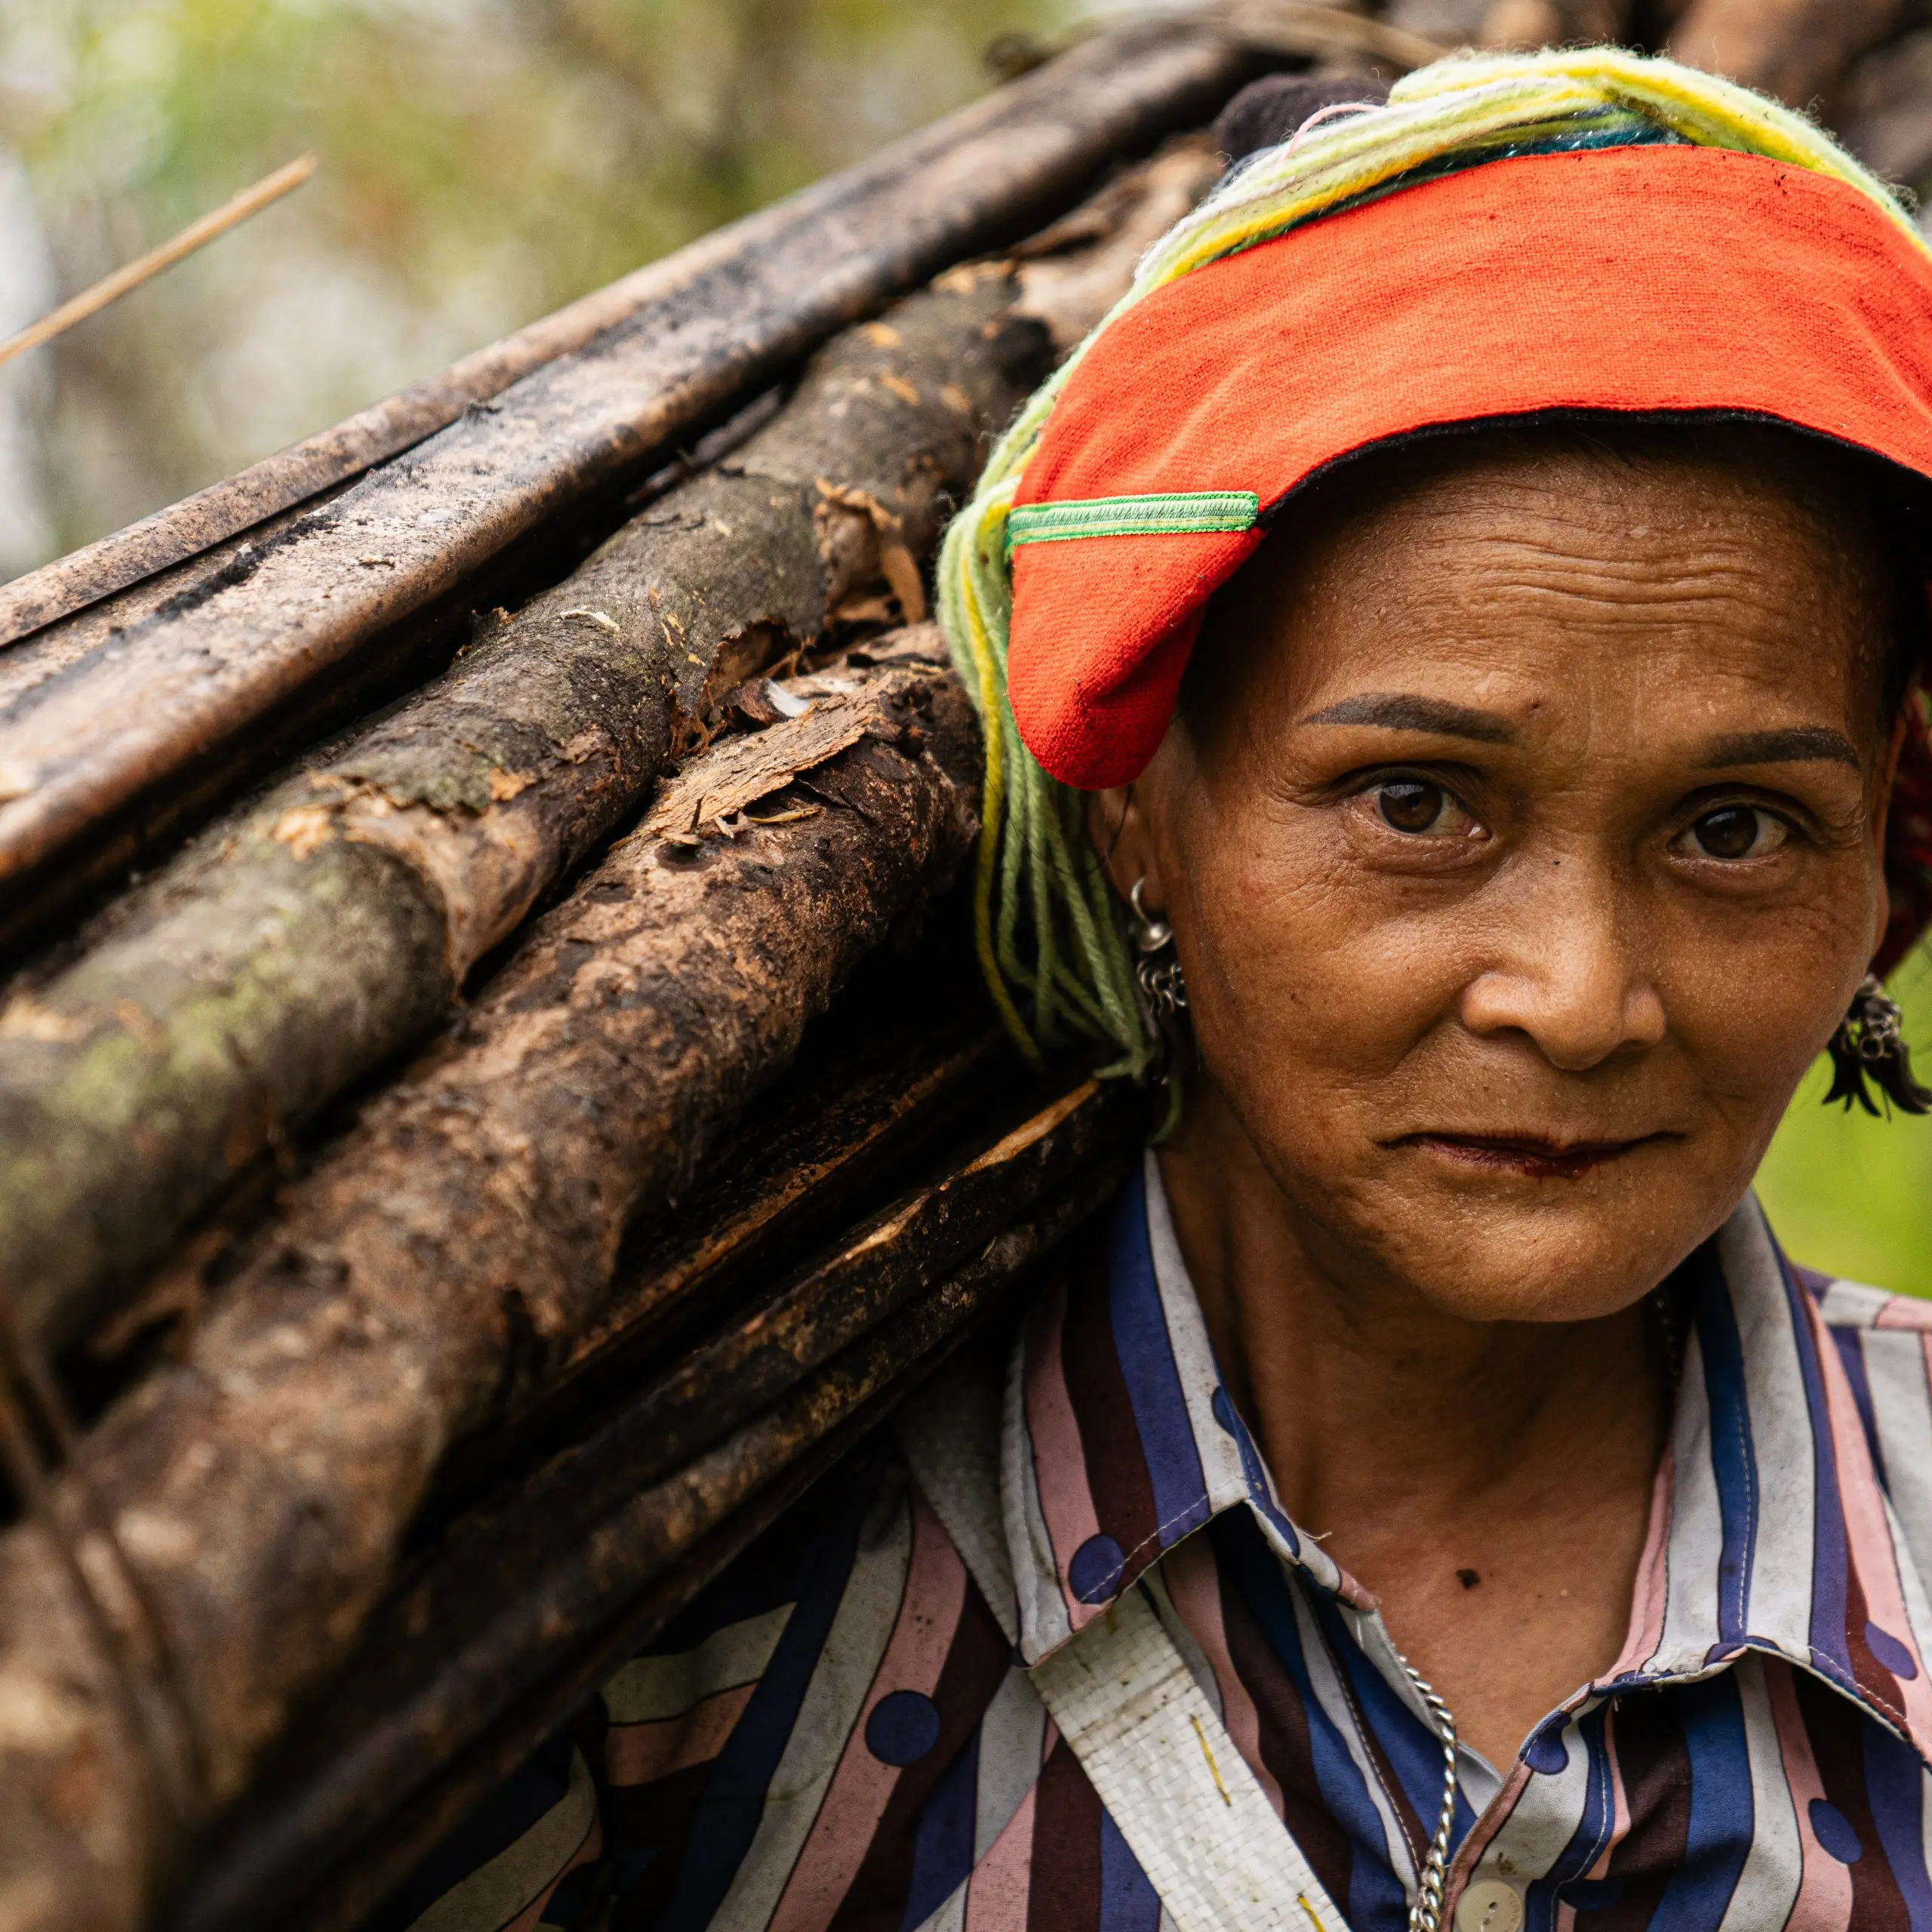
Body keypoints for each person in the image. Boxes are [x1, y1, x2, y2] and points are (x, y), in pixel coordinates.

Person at [374, 48, 1932, 1932]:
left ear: (1879, 864)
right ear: (1135, 815)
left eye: (1736, 829)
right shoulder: (675, 1605)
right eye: (1415, 802)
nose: (1577, 996)